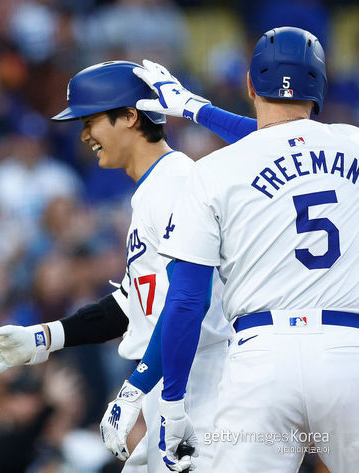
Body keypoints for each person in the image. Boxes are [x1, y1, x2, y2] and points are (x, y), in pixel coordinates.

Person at [0, 61, 232, 473]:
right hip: (179, 379)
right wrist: (44, 338)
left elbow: (189, 303)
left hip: (202, 383)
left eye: (90, 120)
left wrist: (136, 387)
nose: (84, 135)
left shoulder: (175, 184)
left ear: (130, 116)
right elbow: (134, 302)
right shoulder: (156, 187)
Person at [131, 27, 359, 472]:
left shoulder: (213, 170)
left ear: (251, 85)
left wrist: (174, 404)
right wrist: (197, 109)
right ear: (321, 87)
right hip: (348, 353)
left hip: (260, 361)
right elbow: (285, 139)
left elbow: (187, 299)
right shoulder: (354, 143)